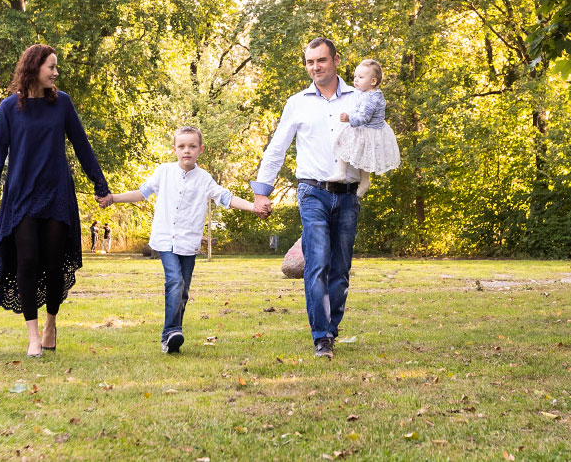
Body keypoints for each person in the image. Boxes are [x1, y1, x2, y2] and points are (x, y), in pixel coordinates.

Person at [0, 44, 110, 357]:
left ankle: (51, 322)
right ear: (34, 67)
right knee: (28, 261)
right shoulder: (9, 108)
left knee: (52, 261)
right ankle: (33, 335)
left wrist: (100, 186)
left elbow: (82, 146)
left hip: (56, 194)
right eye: (51, 66)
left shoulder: (61, 103)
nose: (56, 72)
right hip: (21, 196)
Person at [99, 126, 258, 353]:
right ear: (174, 149)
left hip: (189, 243)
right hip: (166, 240)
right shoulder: (163, 172)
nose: (187, 151)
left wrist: (254, 207)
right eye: (182, 146)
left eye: (192, 146)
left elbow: (226, 197)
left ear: (200, 149)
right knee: (174, 281)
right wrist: (113, 198)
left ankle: (171, 337)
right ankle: (171, 331)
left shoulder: (204, 179)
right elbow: (141, 193)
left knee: (183, 290)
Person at [251, 37, 361, 360]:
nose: (315, 67)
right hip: (311, 192)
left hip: (349, 194)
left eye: (321, 61)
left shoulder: (357, 100)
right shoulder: (297, 102)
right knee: (316, 265)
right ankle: (321, 337)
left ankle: (331, 327)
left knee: (340, 270)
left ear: (336, 60)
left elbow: (375, 136)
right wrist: (261, 190)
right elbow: (277, 147)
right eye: (310, 62)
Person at [332, 59, 401, 197]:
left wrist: (349, 118)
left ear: (373, 81)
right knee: (364, 156)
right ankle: (363, 180)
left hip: (368, 130)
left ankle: (343, 173)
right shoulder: (366, 93)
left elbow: (364, 117)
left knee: (343, 141)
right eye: (355, 77)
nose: (356, 80)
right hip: (369, 129)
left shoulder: (371, 98)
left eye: (361, 77)